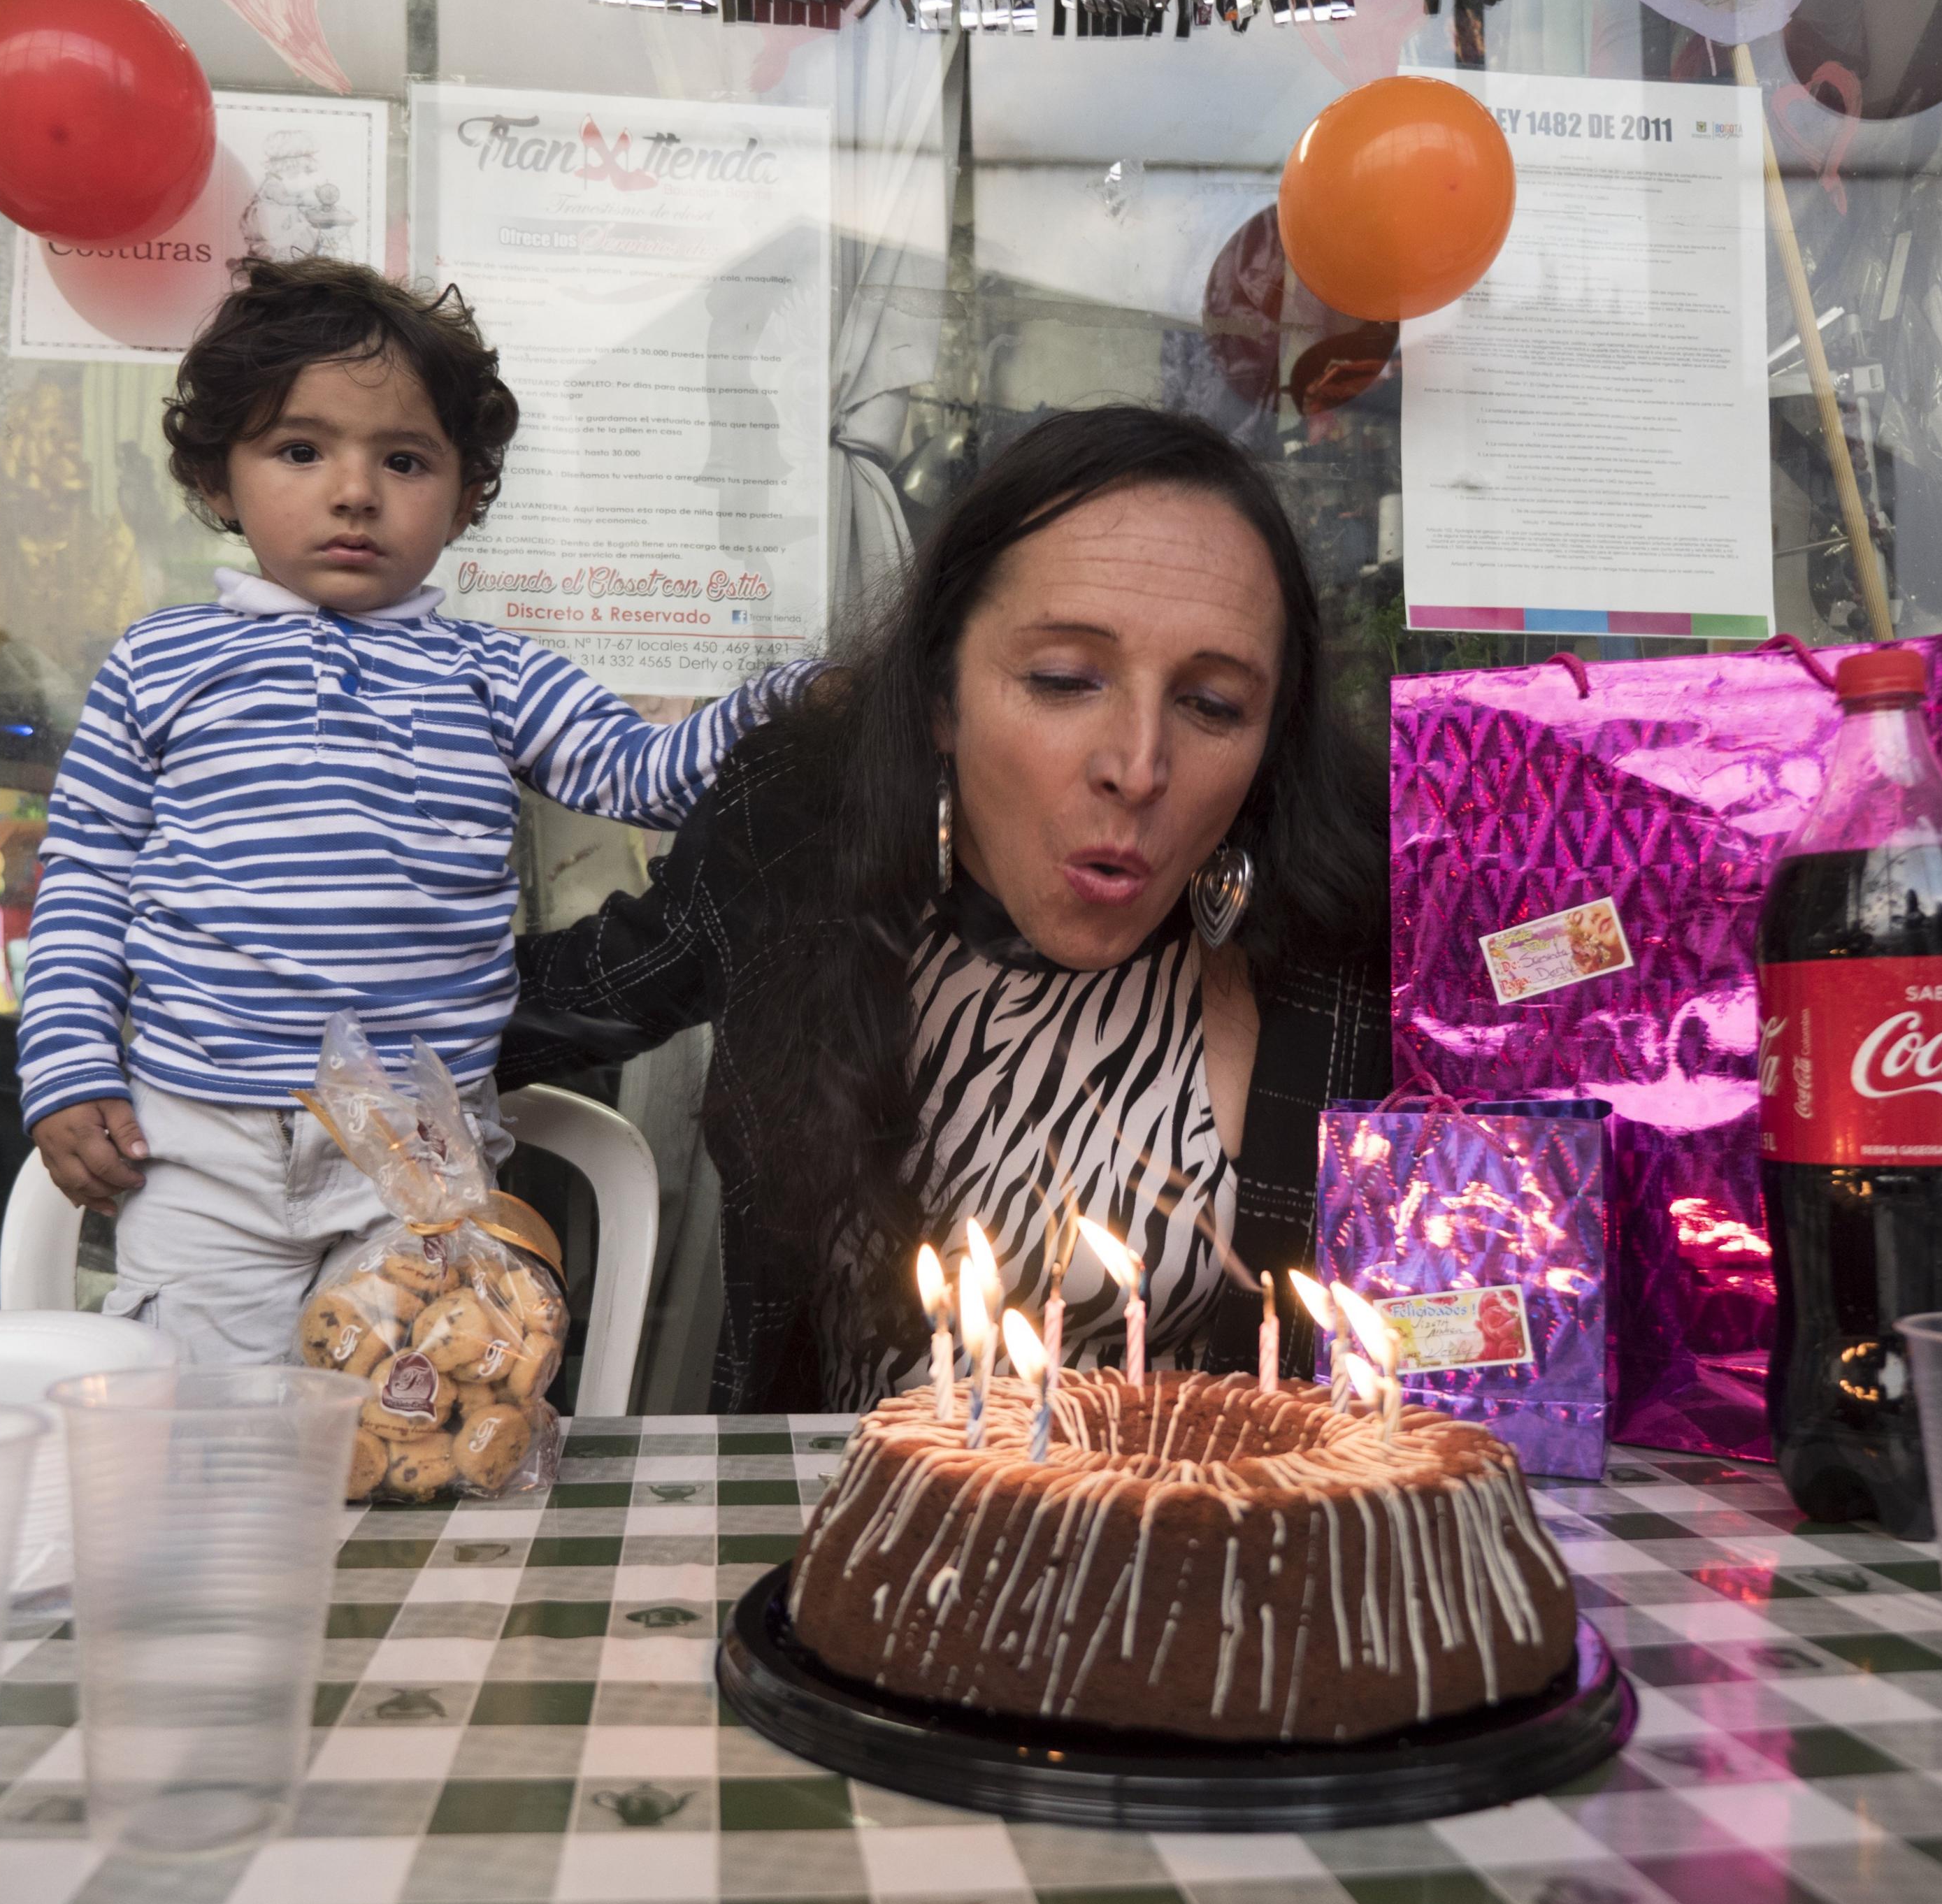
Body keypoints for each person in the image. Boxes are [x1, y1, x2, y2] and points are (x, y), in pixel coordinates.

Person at [503, 405, 1388, 1411]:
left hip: (1192, 1538)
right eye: (1063, 680)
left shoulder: (1345, 948)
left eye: (1213, 705)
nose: (1138, 769)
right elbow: (552, 1004)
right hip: (832, 1531)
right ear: (940, 695)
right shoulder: (803, 844)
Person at [19, 259, 802, 1364]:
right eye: (300, 451)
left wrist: (789, 703)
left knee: (409, 1444)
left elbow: (650, 776)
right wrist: (68, 1070)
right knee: (198, 1448)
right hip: (197, 1148)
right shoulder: (159, 663)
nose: (355, 491)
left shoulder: (492, 677)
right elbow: (86, 878)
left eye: (404, 459)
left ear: (466, 493)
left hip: (418, 1162)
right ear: (217, 478)